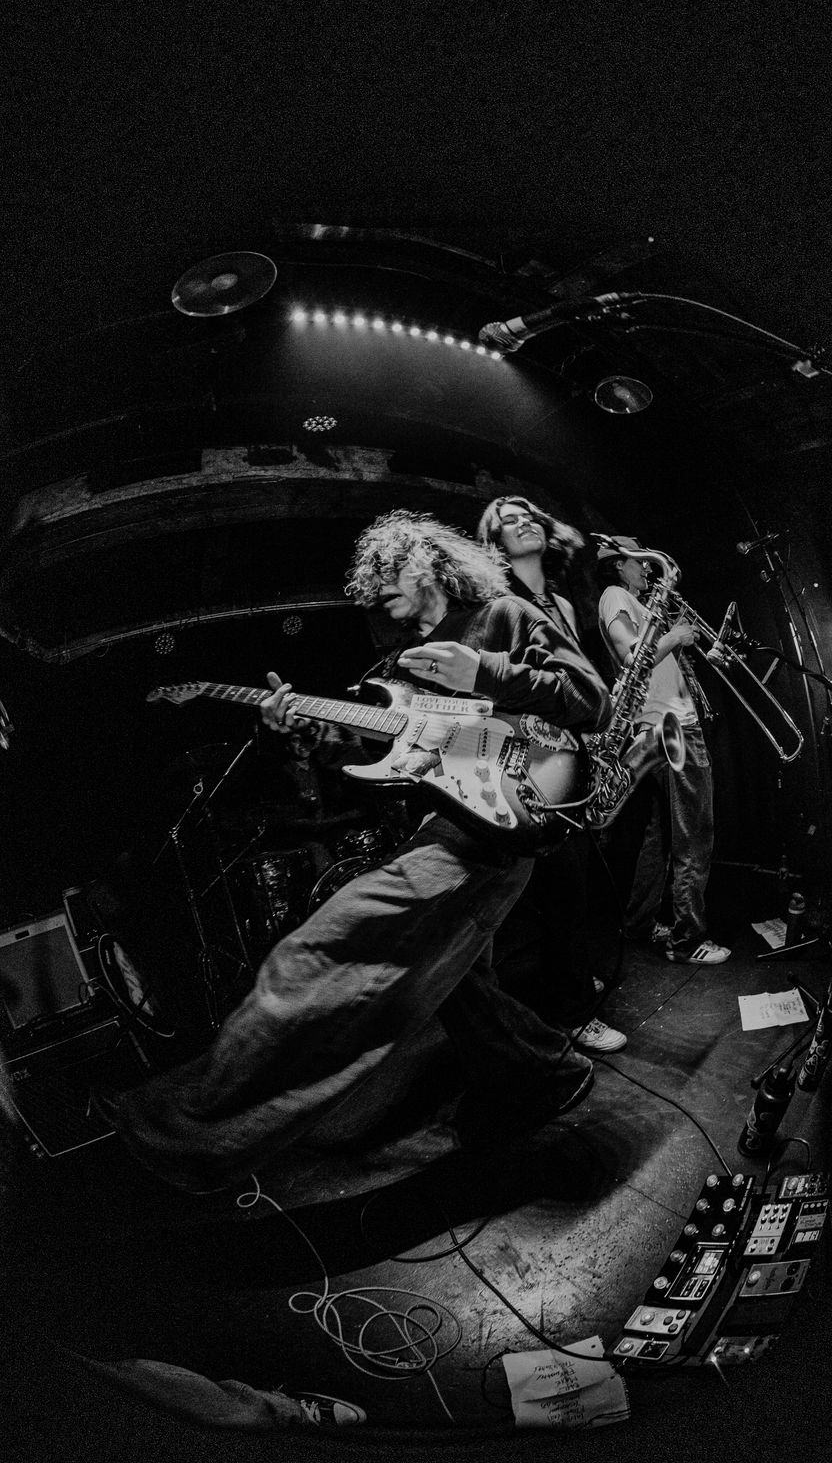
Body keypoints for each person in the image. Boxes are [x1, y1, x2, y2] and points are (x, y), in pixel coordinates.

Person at [93, 510, 610, 1193]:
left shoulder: (502, 616)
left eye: (388, 571)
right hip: (443, 824)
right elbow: (369, 762)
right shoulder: (393, 668)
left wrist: (483, 669)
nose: (376, 588)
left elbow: (591, 700)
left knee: (310, 957)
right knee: (461, 985)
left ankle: (180, 1129)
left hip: (489, 826)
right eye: (368, 581)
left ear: (429, 563)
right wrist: (300, 734)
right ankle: (545, 1074)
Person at [477, 495, 627, 1053]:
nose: (523, 522)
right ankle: (570, 1012)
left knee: (578, 883)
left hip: (575, 751)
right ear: (494, 543)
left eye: (528, 515)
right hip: (531, 760)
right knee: (561, 888)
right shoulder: (497, 604)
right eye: (507, 521)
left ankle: (571, 978)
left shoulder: (560, 601)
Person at [596, 535, 731, 966]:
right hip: (671, 725)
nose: (647, 569)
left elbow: (660, 661)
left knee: (659, 836)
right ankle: (688, 940)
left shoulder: (639, 605)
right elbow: (632, 656)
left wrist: (697, 647)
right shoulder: (615, 595)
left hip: (662, 723)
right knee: (694, 835)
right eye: (638, 561)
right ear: (618, 564)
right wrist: (675, 635)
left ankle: (639, 923)